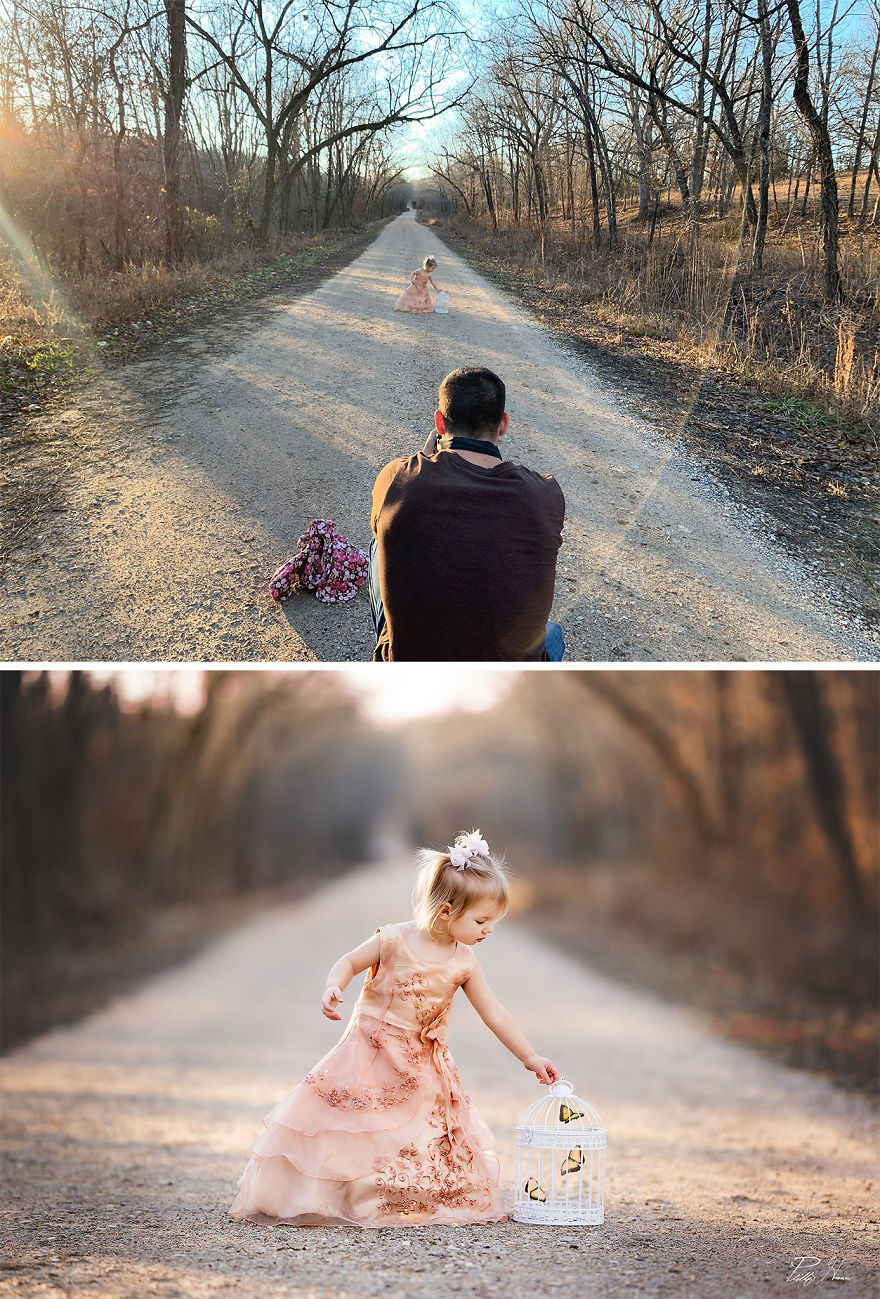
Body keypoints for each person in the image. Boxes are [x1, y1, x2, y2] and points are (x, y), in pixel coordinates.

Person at [228, 831, 559, 1229]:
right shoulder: (394, 940)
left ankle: (403, 1196)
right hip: (369, 1053)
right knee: (357, 1124)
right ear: (446, 911)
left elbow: (496, 1014)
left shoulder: (464, 962)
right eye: (482, 920)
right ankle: (342, 1195)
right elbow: (348, 962)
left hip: (421, 1063)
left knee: (420, 1132)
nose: (488, 929)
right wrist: (335, 986)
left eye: (492, 922)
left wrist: (529, 1056)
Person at [369, 366, 566, 661]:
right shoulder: (545, 494)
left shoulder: (399, 478)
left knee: (379, 543)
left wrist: (422, 461)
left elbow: (384, 526)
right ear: (503, 424)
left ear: (439, 422)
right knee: (552, 634)